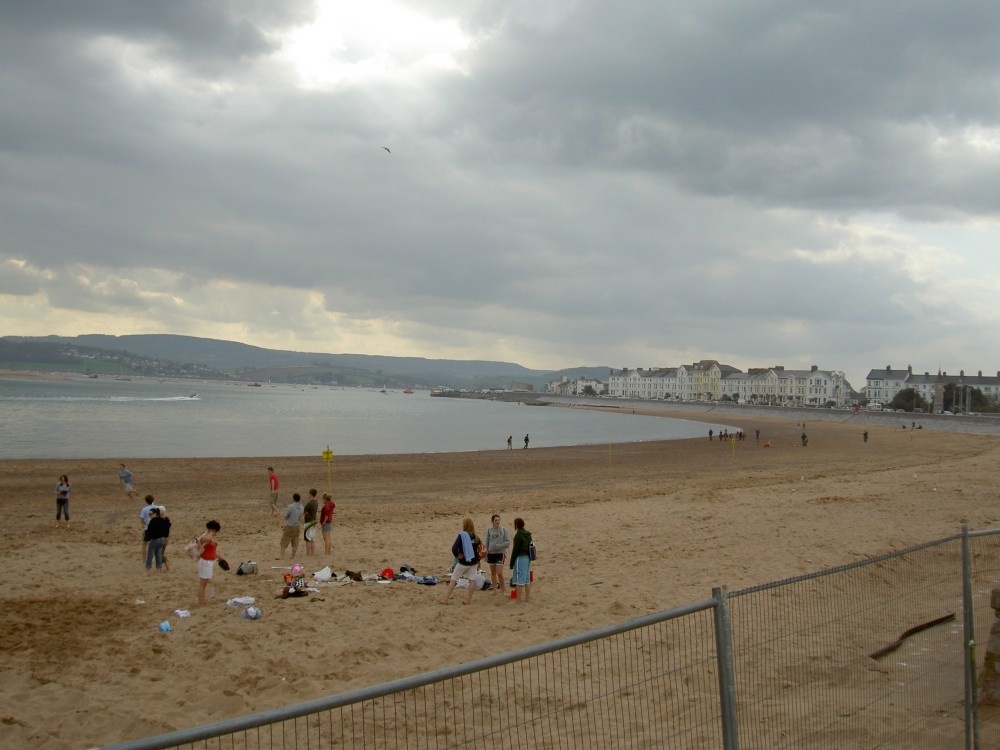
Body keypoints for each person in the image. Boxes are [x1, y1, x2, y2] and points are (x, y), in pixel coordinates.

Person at [439, 518, 482, 605]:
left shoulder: (462, 535)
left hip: (464, 561)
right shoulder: (476, 536)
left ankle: (446, 599)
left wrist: (457, 555)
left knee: (453, 579)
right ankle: (468, 600)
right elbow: (479, 549)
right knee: (472, 580)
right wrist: (479, 561)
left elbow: (454, 548)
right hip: (474, 561)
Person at [197, 520, 222, 606]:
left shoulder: (208, 536)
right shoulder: (205, 536)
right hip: (205, 562)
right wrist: (211, 532)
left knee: (204, 583)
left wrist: (220, 557)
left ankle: (203, 601)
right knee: (202, 584)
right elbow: (207, 540)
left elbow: (212, 550)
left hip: (208, 561)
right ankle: (201, 603)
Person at [485, 514, 511, 594]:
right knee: (493, 573)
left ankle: (503, 590)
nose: (497, 522)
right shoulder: (489, 530)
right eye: (496, 520)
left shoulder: (504, 530)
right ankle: (495, 590)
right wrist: (486, 553)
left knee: (499, 573)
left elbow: (508, 542)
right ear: (492, 521)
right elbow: (487, 542)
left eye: (498, 520)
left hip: (500, 553)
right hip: (491, 553)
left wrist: (498, 546)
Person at [509, 517, 533, 603]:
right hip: (527, 558)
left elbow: (515, 550)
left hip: (521, 558)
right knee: (527, 580)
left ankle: (518, 600)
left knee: (519, 580)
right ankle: (527, 598)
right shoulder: (528, 534)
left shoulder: (519, 535)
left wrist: (511, 563)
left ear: (516, 525)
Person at [144, 506, 170, 573]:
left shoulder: (154, 521)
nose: (149, 515)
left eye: (151, 514)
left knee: (150, 555)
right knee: (159, 555)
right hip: (162, 539)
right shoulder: (164, 520)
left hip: (155, 540)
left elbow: (149, 530)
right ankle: (159, 569)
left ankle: (148, 570)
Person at [280, 493, 304, 560]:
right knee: (295, 542)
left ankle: (282, 556)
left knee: (284, 540)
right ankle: (292, 557)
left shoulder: (291, 507)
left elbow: (285, 516)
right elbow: (300, 516)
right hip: (297, 526)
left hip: (290, 525)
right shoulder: (301, 507)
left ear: (293, 499)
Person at [139, 495, 159, 562]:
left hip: (148, 529)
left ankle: (144, 559)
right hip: (156, 529)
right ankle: (158, 558)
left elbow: (142, 520)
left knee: (144, 543)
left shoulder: (144, 509)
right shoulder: (157, 507)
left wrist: (146, 523)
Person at [303, 488, 319, 556]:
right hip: (314, 521)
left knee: (307, 539)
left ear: (310, 494)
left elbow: (304, 511)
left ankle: (308, 554)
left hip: (309, 522)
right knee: (312, 539)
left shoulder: (309, 503)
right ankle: (312, 553)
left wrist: (306, 514)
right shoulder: (316, 502)